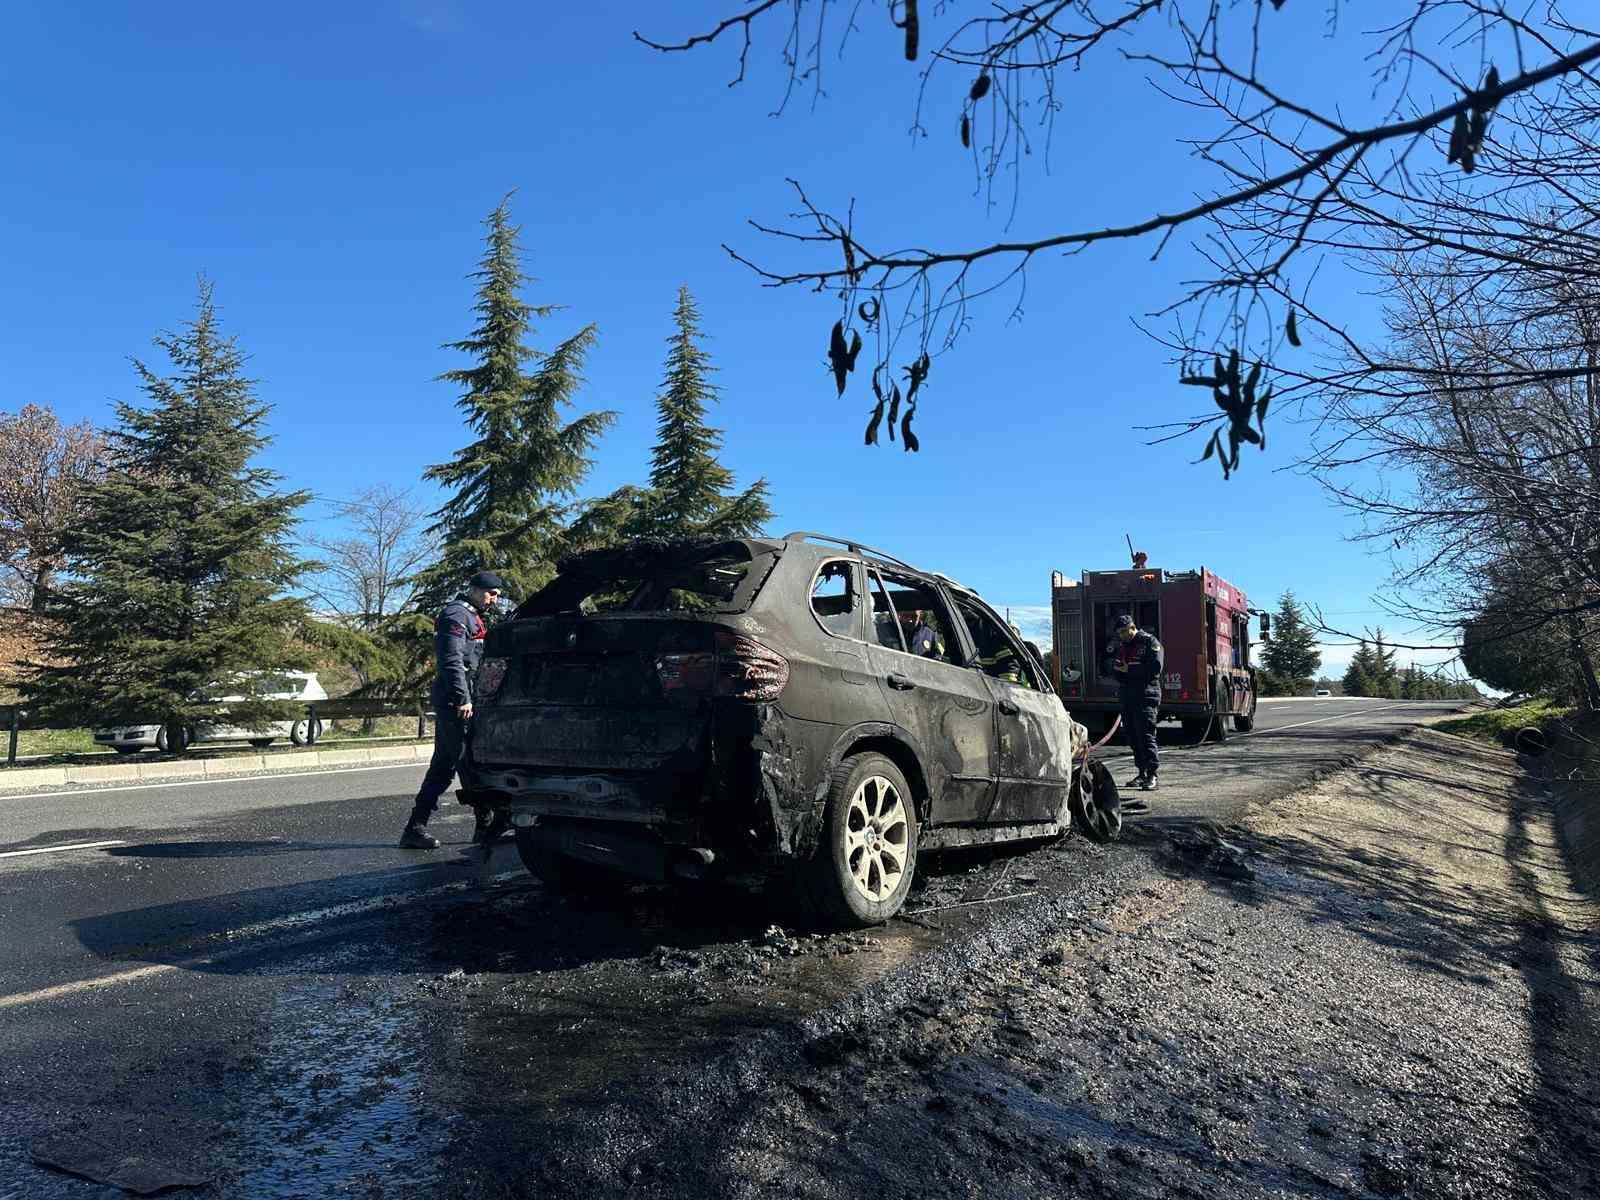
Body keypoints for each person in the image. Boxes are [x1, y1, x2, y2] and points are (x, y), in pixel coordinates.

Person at [399, 570, 506, 849]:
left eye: (496, 596)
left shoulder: (472, 615)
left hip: (465, 700)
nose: (494, 600)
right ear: (474, 589)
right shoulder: (456, 615)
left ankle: (417, 828)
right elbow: (451, 661)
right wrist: (463, 698)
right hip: (456, 703)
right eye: (491, 594)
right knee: (463, 762)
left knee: (448, 764)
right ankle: (484, 825)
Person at [1110, 613, 1163, 791]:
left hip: (1146, 695)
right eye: (1120, 633)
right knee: (1132, 736)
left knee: (1146, 735)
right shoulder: (1123, 646)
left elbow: (1155, 668)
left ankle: (1152, 774)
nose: (1123, 636)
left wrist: (1130, 669)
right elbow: (1118, 671)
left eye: (1125, 632)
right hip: (1128, 696)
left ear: (1133, 628)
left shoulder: (1149, 642)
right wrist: (1122, 671)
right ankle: (1141, 773)